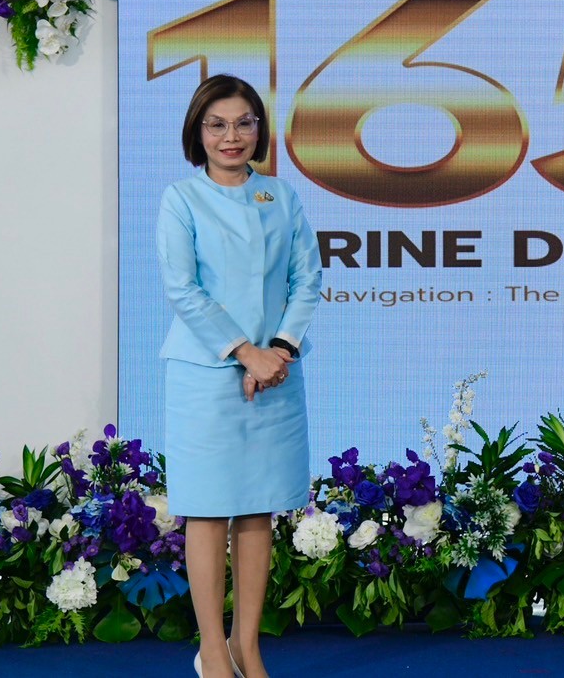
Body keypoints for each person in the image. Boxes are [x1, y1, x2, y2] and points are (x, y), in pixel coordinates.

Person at [157, 74, 320, 678]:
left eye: (244, 123)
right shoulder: (181, 198)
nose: (232, 136)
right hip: (208, 374)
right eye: (217, 124)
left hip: (277, 373)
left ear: (259, 129)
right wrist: (245, 352)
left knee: (258, 510)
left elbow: (307, 279)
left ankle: (247, 647)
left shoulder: (281, 195)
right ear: (197, 132)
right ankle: (213, 654)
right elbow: (182, 289)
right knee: (208, 511)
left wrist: (278, 349)